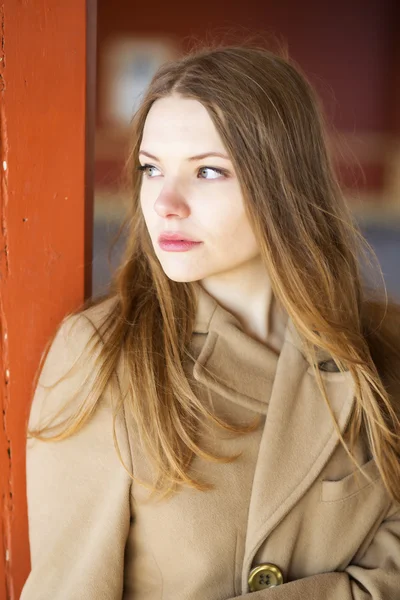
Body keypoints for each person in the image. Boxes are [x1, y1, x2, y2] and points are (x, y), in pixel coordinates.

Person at [21, 44, 400, 599]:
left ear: (283, 185)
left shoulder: (380, 344)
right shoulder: (106, 354)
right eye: (152, 168)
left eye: (207, 171)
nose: (165, 203)